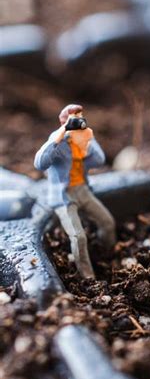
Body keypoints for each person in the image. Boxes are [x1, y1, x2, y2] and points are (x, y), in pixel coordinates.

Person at [35, 104, 116, 278]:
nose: (79, 121)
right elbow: (40, 163)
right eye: (74, 118)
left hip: (82, 189)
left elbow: (99, 160)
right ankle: (88, 277)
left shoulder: (85, 138)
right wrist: (59, 136)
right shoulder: (58, 142)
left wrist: (88, 142)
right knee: (79, 237)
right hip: (63, 196)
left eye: (80, 117)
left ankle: (108, 255)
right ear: (65, 121)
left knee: (107, 221)